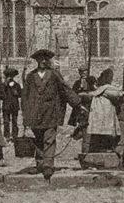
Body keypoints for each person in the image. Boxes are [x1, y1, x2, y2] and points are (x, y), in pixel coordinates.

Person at [21, 48, 81, 181]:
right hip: (35, 114)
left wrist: (77, 103)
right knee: (38, 140)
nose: (43, 61)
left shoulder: (54, 75)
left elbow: (65, 89)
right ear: (36, 61)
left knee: (49, 139)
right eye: (40, 59)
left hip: (51, 112)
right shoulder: (31, 76)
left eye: (45, 59)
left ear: (48, 60)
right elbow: (25, 96)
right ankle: (40, 164)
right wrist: (25, 114)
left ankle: (48, 165)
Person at [84, 68, 124, 153]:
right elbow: (117, 94)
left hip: (100, 112)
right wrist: (122, 92)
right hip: (105, 112)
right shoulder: (107, 88)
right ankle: (105, 147)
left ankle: (99, 147)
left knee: (99, 130)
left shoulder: (101, 88)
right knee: (106, 130)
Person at [2, 67, 22, 140]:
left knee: (14, 122)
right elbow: (1, 93)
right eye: (8, 76)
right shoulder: (4, 85)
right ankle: (7, 136)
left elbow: (20, 94)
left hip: (14, 106)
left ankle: (14, 136)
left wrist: (16, 92)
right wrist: (5, 84)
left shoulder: (17, 85)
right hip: (6, 106)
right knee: (6, 122)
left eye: (11, 76)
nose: (10, 77)